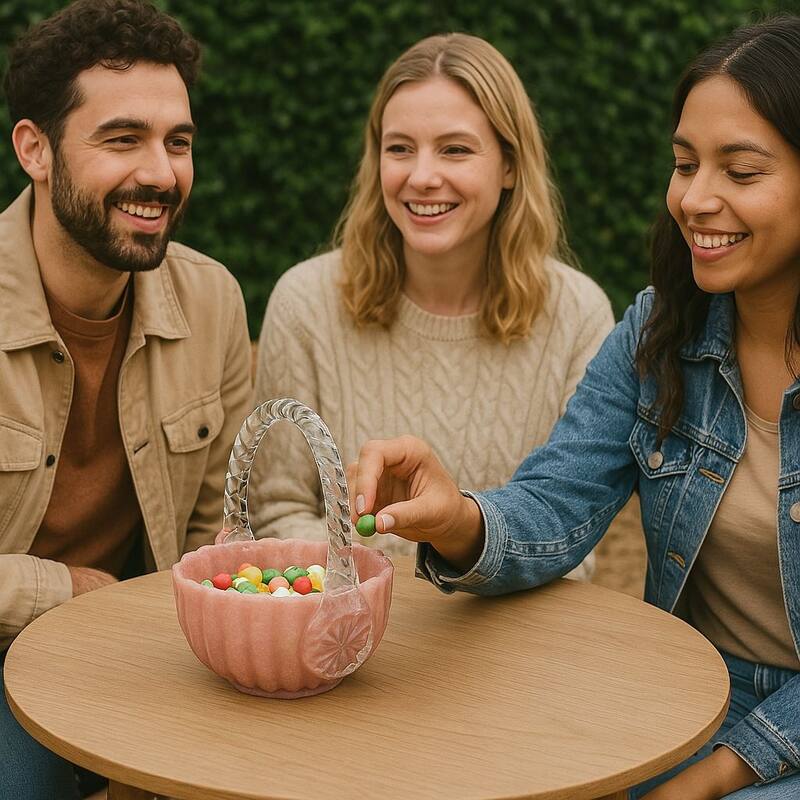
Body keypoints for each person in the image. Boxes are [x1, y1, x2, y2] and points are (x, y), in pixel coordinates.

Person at [349, 16, 800, 800]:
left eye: (742, 171)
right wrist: (454, 515)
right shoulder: (658, 331)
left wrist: (710, 778)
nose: (695, 198)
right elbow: (557, 504)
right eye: (685, 164)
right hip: (688, 700)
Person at [0, 1, 252, 797]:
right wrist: (73, 593)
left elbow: (222, 528)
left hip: (150, 654)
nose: (160, 172)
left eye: (178, 142)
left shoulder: (212, 302)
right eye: (122, 139)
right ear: (34, 151)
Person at [250, 33, 613, 582]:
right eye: (399, 148)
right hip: (342, 641)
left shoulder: (578, 316)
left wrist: (447, 549)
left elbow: (574, 544)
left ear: (510, 165)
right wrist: (400, 593)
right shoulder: (304, 304)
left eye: (455, 149)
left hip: (517, 648)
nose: (422, 176)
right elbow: (275, 514)